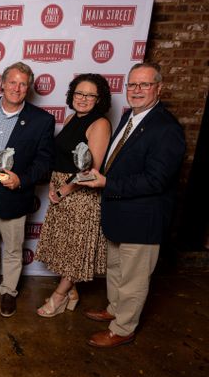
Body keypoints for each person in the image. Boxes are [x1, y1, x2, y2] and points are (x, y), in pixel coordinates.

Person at [78, 62, 185, 347]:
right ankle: (114, 309)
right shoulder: (130, 116)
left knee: (134, 279)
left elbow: (156, 181)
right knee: (115, 269)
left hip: (143, 219)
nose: (137, 90)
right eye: (132, 85)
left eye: (145, 85)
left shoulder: (166, 128)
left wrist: (106, 184)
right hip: (120, 214)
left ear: (158, 88)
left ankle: (123, 328)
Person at [0, 61, 55, 317]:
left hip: (14, 192)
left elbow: (44, 162)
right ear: (2, 83)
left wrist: (22, 181)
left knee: (14, 246)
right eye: (12, 82)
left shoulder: (41, 120)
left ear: (28, 88)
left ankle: (9, 290)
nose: (17, 88)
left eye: (23, 84)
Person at [34, 74, 112, 317]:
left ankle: (58, 296)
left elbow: (91, 171)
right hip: (60, 188)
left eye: (90, 95)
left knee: (75, 249)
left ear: (99, 99)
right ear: (72, 95)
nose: (83, 99)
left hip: (80, 195)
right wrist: (51, 185)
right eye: (79, 93)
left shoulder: (100, 124)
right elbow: (60, 159)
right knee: (65, 246)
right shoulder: (70, 119)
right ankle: (73, 293)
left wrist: (64, 189)